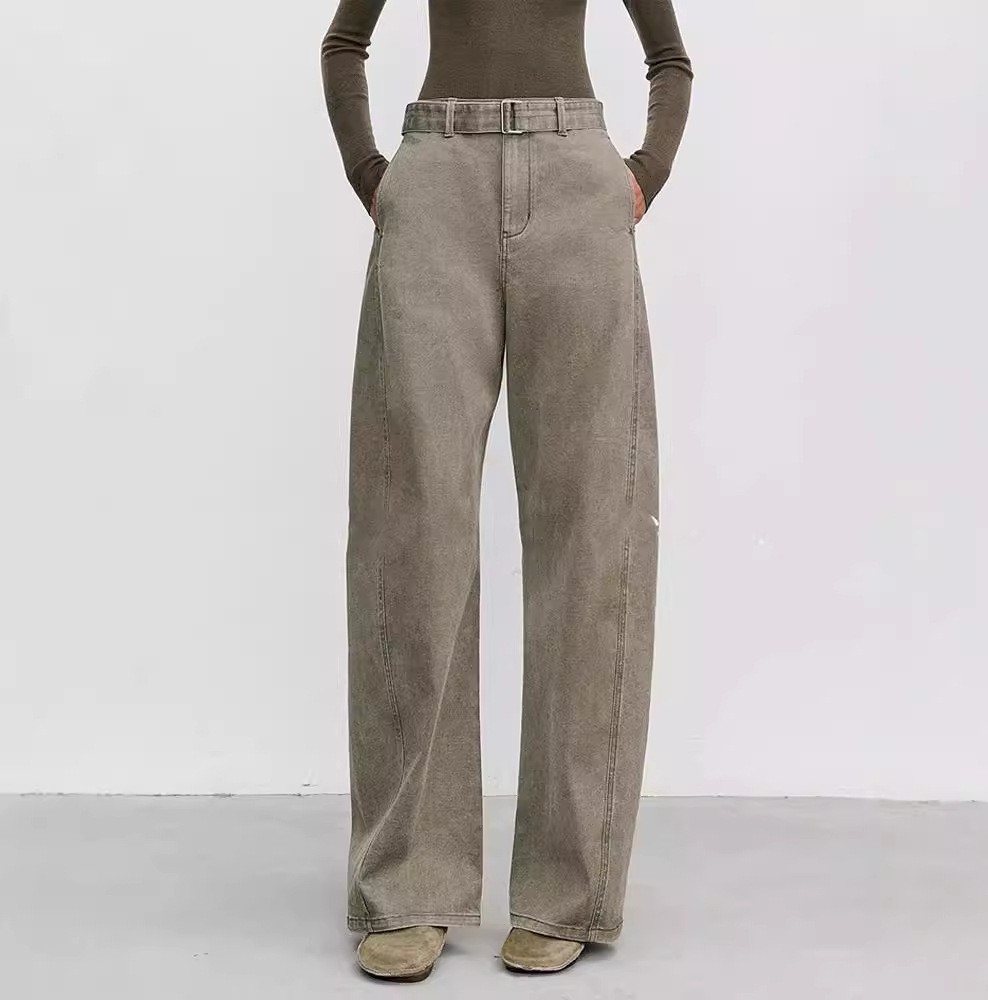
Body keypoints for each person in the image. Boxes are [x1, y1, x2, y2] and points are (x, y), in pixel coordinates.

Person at [321, 0, 692, 982]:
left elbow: (670, 61)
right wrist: (373, 177)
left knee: (592, 531)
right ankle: (408, 886)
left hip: (578, 186)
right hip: (434, 184)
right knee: (413, 533)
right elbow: (344, 44)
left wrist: (641, 177)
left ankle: (569, 889)